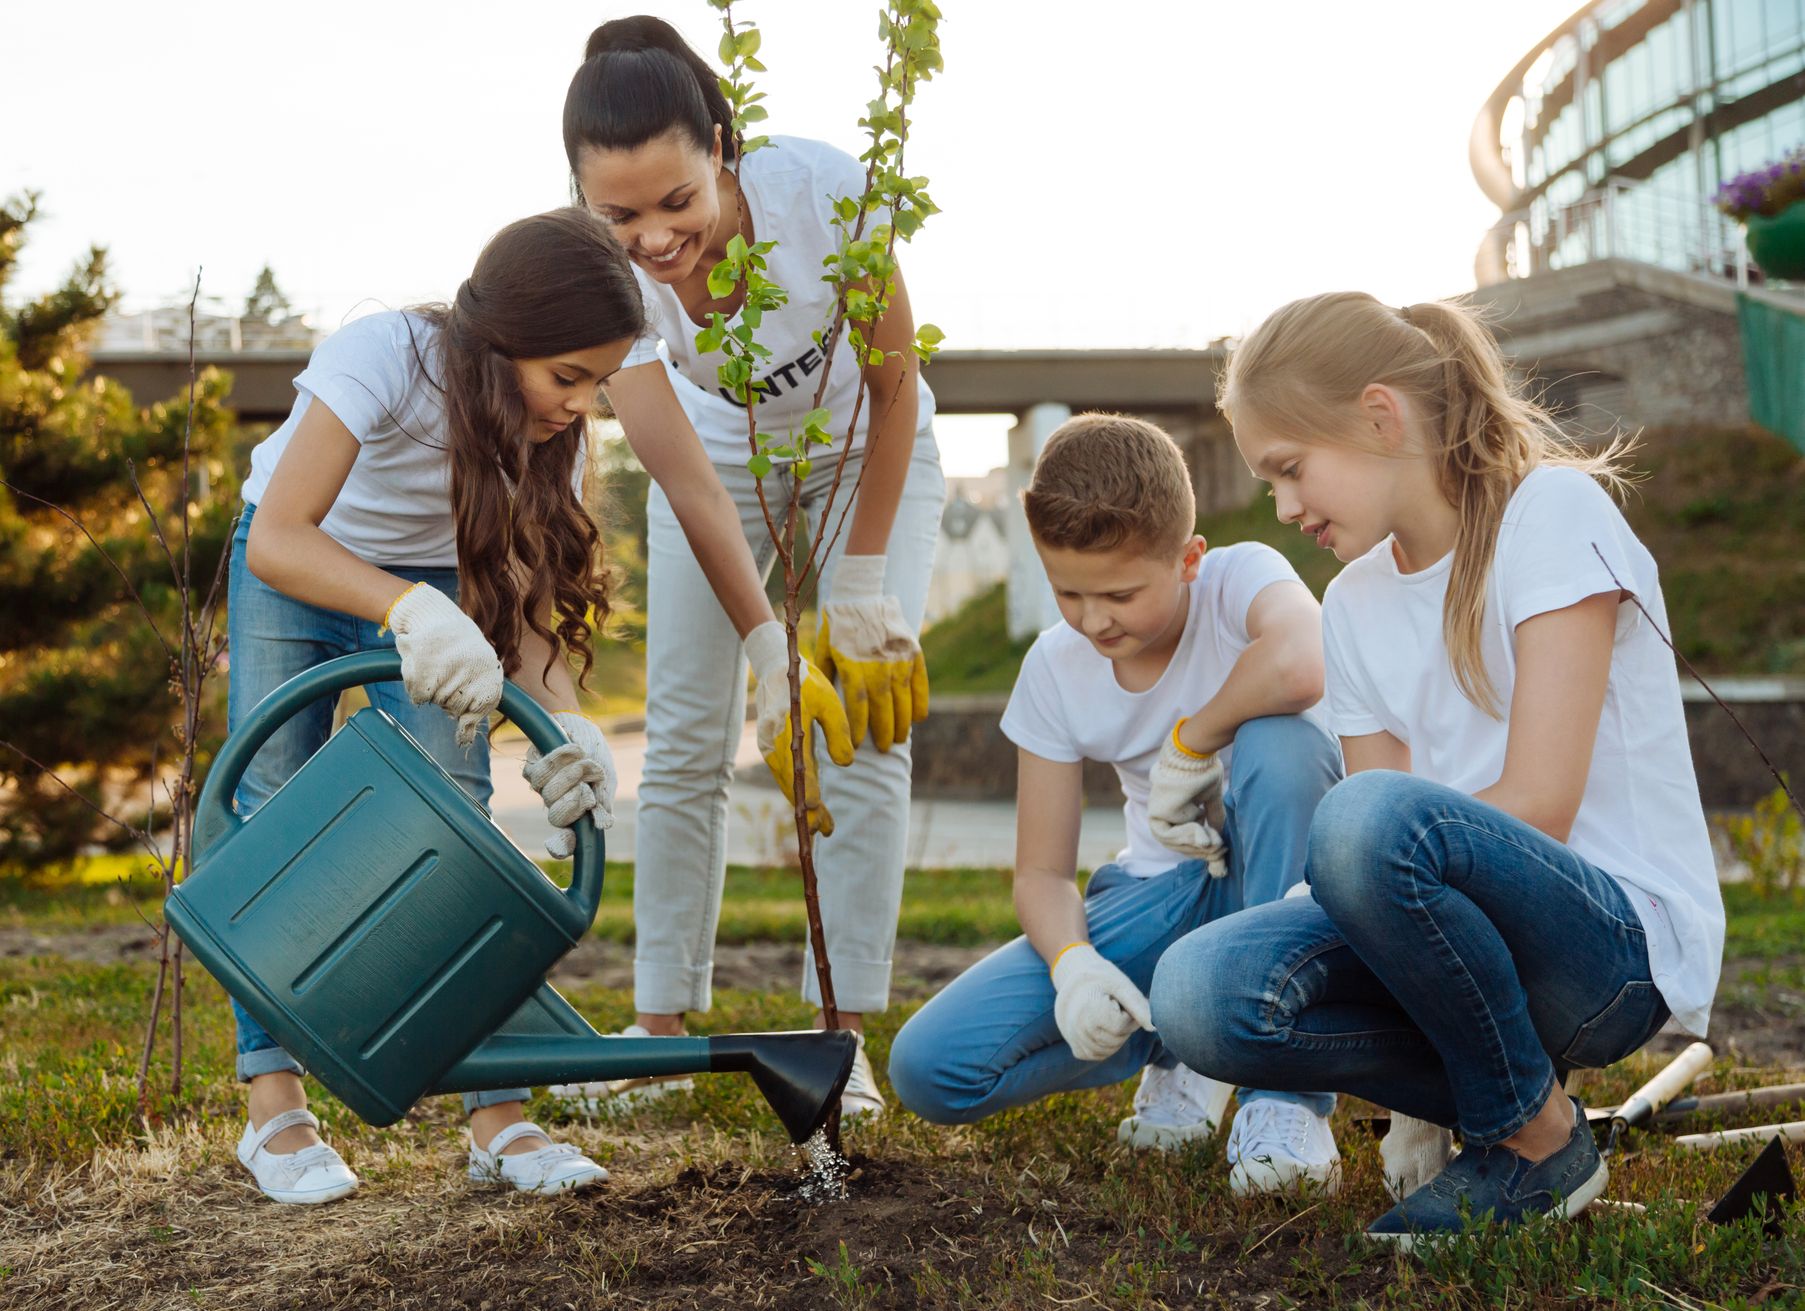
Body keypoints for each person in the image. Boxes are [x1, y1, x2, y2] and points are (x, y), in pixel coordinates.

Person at [1150, 293, 1725, 1246]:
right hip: (1463, 952)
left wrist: (1357, 855)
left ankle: (1534, 1138)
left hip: (1609, 953)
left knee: (1360, 819)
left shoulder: (1549, 511)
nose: (1284, 507)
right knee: (1198, 992)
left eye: (1290, 470)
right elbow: (1369, 863)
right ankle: (1495, 1100)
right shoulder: (1354, 602)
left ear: (1380, 416)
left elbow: (1539, 802)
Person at [556, 15, 945, 1117]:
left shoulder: (828, 195)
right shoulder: (602, 278)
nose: (654, 237)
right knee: (683, 740)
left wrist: (856, 587)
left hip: (864, 463)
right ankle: (663, 1028)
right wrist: (770, 642)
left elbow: (893, 387)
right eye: (618, 215)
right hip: (714, 479)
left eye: (676, 202)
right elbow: (683, 479)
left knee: (862, 731)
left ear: (723, 147)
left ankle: (841, 1038)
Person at [226, 209, 646, 1202]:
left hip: (438, 587)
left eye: (598, 383)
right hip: (301, 567)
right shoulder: (383, 357)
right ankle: (274, 1107)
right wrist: (406, 606)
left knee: (460, 829)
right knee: (270, 816)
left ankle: (498, 1114)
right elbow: (281, 537)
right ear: (502, 343)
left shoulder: (555, 440)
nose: (581, 405)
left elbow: (533, 605)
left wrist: (566, 723)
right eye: (568, 377)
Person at [887, 415, 1344, 1195]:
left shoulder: (1238, 578)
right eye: (1067, 591)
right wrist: (1074, 968)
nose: (1094, 619)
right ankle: (1185, 1047)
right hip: (1163, 894)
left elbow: (1305, 660)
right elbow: (1039, 871)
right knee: (928, 1067)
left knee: (1282, 740)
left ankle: (1283, 1099)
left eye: (1121, 593)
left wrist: (1192, 743)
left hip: (1286, 886)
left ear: (1188, 559)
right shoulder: (1056, 668)